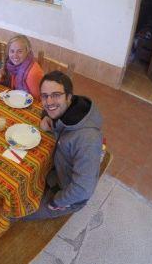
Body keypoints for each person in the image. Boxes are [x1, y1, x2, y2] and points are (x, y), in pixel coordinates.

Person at [23, 71, 103, 220]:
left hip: (68, 195)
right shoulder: (67, 112)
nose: (49, 102)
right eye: (45, 96)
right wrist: (46, 117)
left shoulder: (87, 139)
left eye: (56, 95)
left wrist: (56, 201)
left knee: (19, 213)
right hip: (56, 174)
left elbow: (83, 189)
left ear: (69, 97)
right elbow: (49, 110)